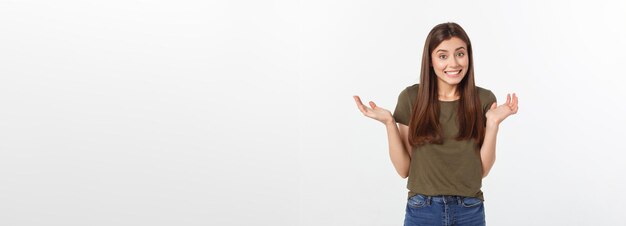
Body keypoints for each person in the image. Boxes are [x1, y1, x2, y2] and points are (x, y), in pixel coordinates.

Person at [352, 22, 519, 226]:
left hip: (469, 209)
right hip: (422, 209)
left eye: (460, 54)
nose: (453, 63)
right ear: (430, 60)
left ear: (469, 56)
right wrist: (389, 123)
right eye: (442, 56)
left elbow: (481, 170)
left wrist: (493, 124)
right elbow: (404, 169)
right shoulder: (411, 98)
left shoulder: (483, 99)